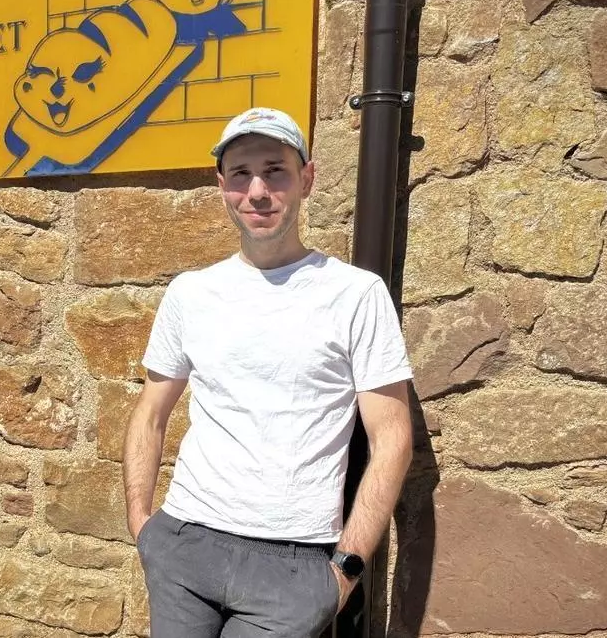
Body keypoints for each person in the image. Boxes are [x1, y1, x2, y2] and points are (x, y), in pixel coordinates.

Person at [122, 107, 414, 638]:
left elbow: (392, 439)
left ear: (307, 179)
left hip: (293, 565)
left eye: (275, 171)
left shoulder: (355, 294)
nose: (257, 191)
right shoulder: (191, 292)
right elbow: (150, 411)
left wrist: (345, 570)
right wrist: (143, 525)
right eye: (241, 173)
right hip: (184, 545)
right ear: (222, 187)